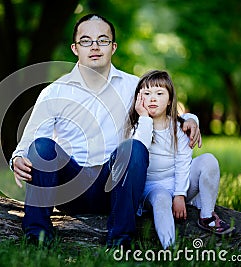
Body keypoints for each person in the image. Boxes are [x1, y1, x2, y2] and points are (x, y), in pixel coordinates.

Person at [10, 14, 201, 248]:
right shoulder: (55, 91)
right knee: (41, 146)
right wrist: (18, 158)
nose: (95, 47)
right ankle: (37, 238)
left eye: (102, 40)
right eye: (86, 41)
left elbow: (164, 109)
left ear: (113, 47)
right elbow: (27, 141)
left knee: (134, 148)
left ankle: (120, 241)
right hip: (70, 187)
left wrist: (190, 119)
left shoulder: (134, 87)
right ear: (74, 48)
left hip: (115, 185)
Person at [126, 70, 234, 249]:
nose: (153, 98)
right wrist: (144, 118)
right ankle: (170, 249)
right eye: (147, 94)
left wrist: (179, 195)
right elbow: (139, 150)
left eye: (159, 93)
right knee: (161, 200)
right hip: (152, 188)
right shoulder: (136, 128)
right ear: (139, 99)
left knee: (208, 160)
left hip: (178, 182)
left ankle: (207, 215)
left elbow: (183, 162)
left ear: (169, 100)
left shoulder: (179, 127)